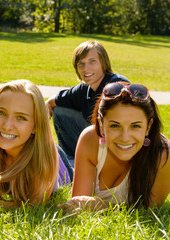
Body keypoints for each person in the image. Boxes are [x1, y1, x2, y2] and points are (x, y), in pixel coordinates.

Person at [59, 82, 170, 212]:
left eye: (135, 126)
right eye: (115, 126)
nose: (125, 137)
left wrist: (104, 207)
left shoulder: (163, 156)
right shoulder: (89, 139)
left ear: (148, 127)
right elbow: (77, 205)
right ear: (101, 124)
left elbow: (149, 212)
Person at [0, 80, 72, 208]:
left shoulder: (44, 153)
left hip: (59, 164)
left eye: (21, 118)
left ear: (36, 125)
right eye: (1, 112)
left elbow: (35, 204)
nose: (7, 126)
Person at [46, 41, 129, 165]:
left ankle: (91, 165)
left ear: (103, 62)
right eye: (81, 63)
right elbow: (50, 103)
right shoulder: (84, 89)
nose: (86, 68)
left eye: (92, 61)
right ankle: (70, 162)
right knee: (60, 111)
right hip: (96, 140)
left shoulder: (116, 86)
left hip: (119, 145)